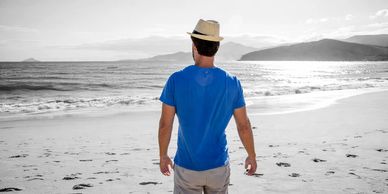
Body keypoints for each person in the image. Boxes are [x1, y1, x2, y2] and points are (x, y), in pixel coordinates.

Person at [158, 19, 257, 194]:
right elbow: (243, 126)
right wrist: (251, 155)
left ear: (194, 44)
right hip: (218, 166)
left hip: (187, 168)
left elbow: (166, 124)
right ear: (217, 47)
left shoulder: (176, 79)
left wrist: (163, 155)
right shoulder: (232, 82)